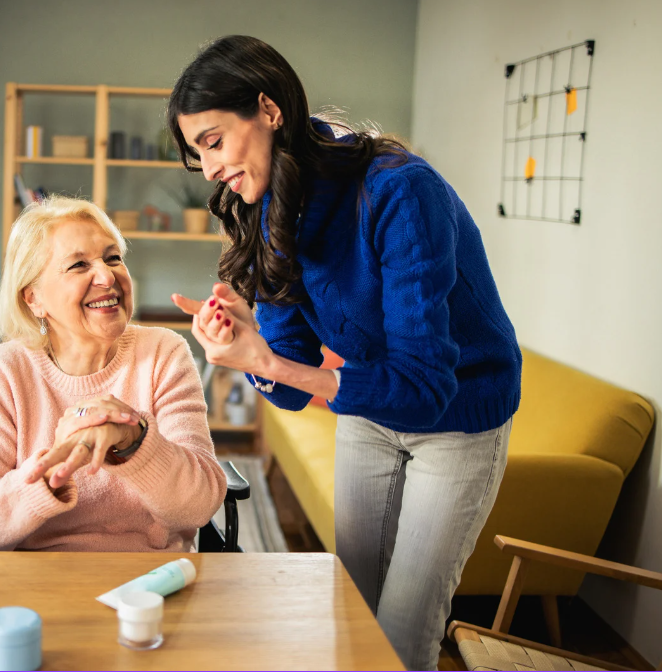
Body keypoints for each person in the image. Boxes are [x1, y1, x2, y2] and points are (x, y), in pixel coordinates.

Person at [168, 35, 521, 670]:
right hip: (370, 404)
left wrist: (269, 363)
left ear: (269, 110)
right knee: (351, 607)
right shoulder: (267, 205)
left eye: (214, 142)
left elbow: (425, 388)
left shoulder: (400, 191)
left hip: (459, 415)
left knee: (403, 634)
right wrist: (251, 348)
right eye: (200, 155)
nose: (211, 169)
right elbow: (292, 384)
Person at [0, 195, 227, 553]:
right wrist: (45, 477)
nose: (107, 276)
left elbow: (199, 507)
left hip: (152, 575)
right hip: (35, 576)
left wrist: (134, 441)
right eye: (78, 265)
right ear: (33, 299)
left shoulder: (163, 353)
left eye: (113, 258)